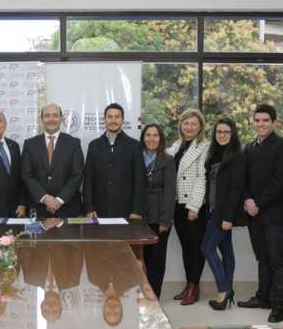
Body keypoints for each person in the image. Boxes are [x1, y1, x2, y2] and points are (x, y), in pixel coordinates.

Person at [237, 104, 283, 324]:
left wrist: (258, 202)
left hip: (275, 215)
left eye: (265, 120)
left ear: (274, 122)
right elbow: (243, 179)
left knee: (277, 259)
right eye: (257, 120)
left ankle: (278, 304)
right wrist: (248, 200)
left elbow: (281, 179)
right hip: (254, 214)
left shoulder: (282, 146)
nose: (261, 124)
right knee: (262, 258)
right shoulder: (249, 147)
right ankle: (263, 298)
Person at [200, 118, 247, 310]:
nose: (222, 135)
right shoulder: (215, 154)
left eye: (226, 132)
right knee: (226, 250)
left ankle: (223, 290)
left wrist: (228, 217)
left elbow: (236, 189)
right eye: (219, 131)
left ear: (233, 133)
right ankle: (227, 291)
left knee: (207, 248)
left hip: (224, 212)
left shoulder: (237, 155)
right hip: (213, 209)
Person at [166, 108, 210, 305]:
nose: (189, 127)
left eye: (194, 123)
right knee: (186, 248)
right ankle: (188, 284)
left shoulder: (205, 147)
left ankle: (194, 287)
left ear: (200, 126)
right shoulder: (176, 146)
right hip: (177, 205)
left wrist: (194, 207)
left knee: (195, 248)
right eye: (186, 123)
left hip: (193, 207)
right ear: (181, 126)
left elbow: (202, 179)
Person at [21, 103, 84, 218]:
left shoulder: (74, 143)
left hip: (67, 207)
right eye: (47, 115)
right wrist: (45, 198)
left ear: (61, 118)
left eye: (55, 115)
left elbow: (77, 175)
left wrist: (59, 200)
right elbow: (26, 174)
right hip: (38, 207)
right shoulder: (30, 144)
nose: (51, 119)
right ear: (41, 119)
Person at [83, 103, 145, 219]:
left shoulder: (134, 146)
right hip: (98, 211)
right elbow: (88, 179)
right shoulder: (94, 145)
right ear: (104, 119)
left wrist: (136, 210)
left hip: (126, 211)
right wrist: (89, 208)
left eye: (117, 117)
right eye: (110, 117)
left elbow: (139, 181)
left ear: (122, 120)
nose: (113, 120)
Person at [139, 123, 175, 299]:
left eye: (155, 135)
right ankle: (140, 296)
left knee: (156, 262)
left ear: (160, 139)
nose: (151, 139)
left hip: (158, 218)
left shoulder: (167, 160)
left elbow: (170, 192)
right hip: (138, 217)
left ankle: (154, 297)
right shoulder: (136, 157)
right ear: (143, 138)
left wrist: (165, 221)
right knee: (139, 260)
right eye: (148, 135)